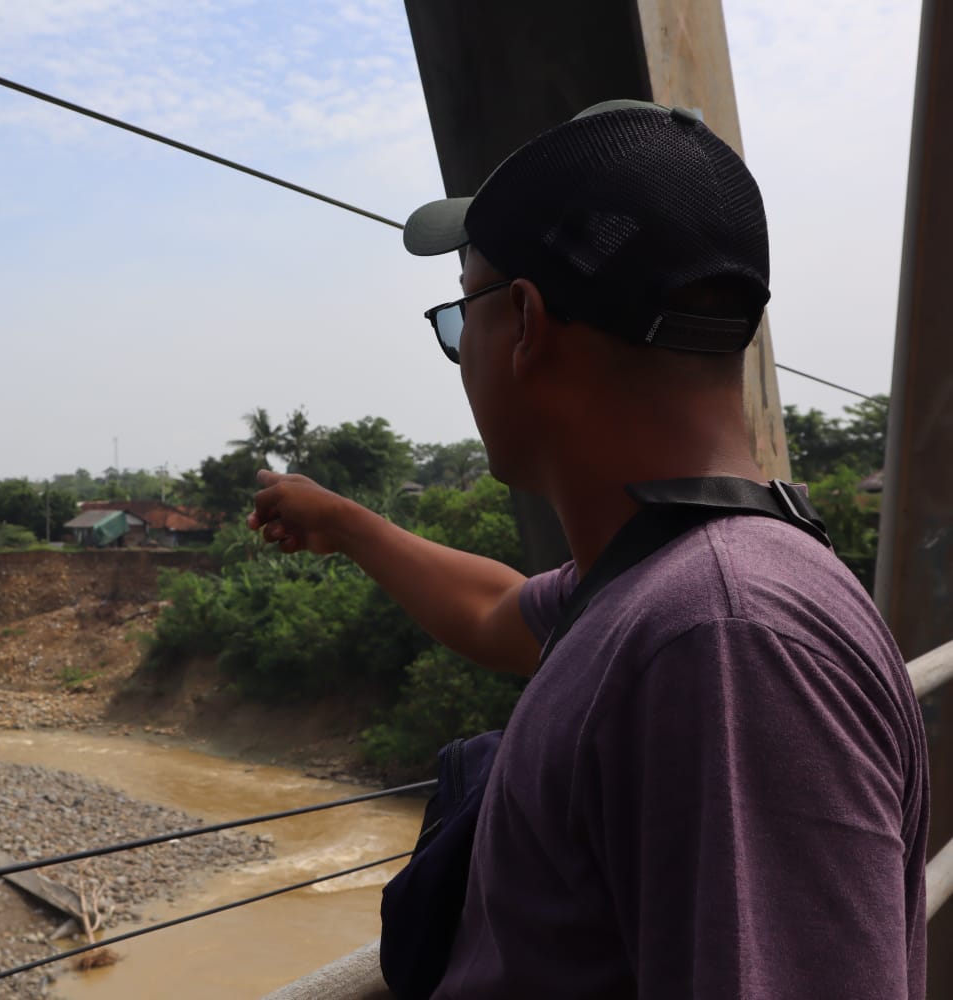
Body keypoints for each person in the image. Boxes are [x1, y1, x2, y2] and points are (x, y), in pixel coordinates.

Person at [248, 101, 928, 999]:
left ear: (525, 323)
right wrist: (348, 524)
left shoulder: (723, 639)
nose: (460, 354)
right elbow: (499, 613)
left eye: (462, 314)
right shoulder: (681, 575)